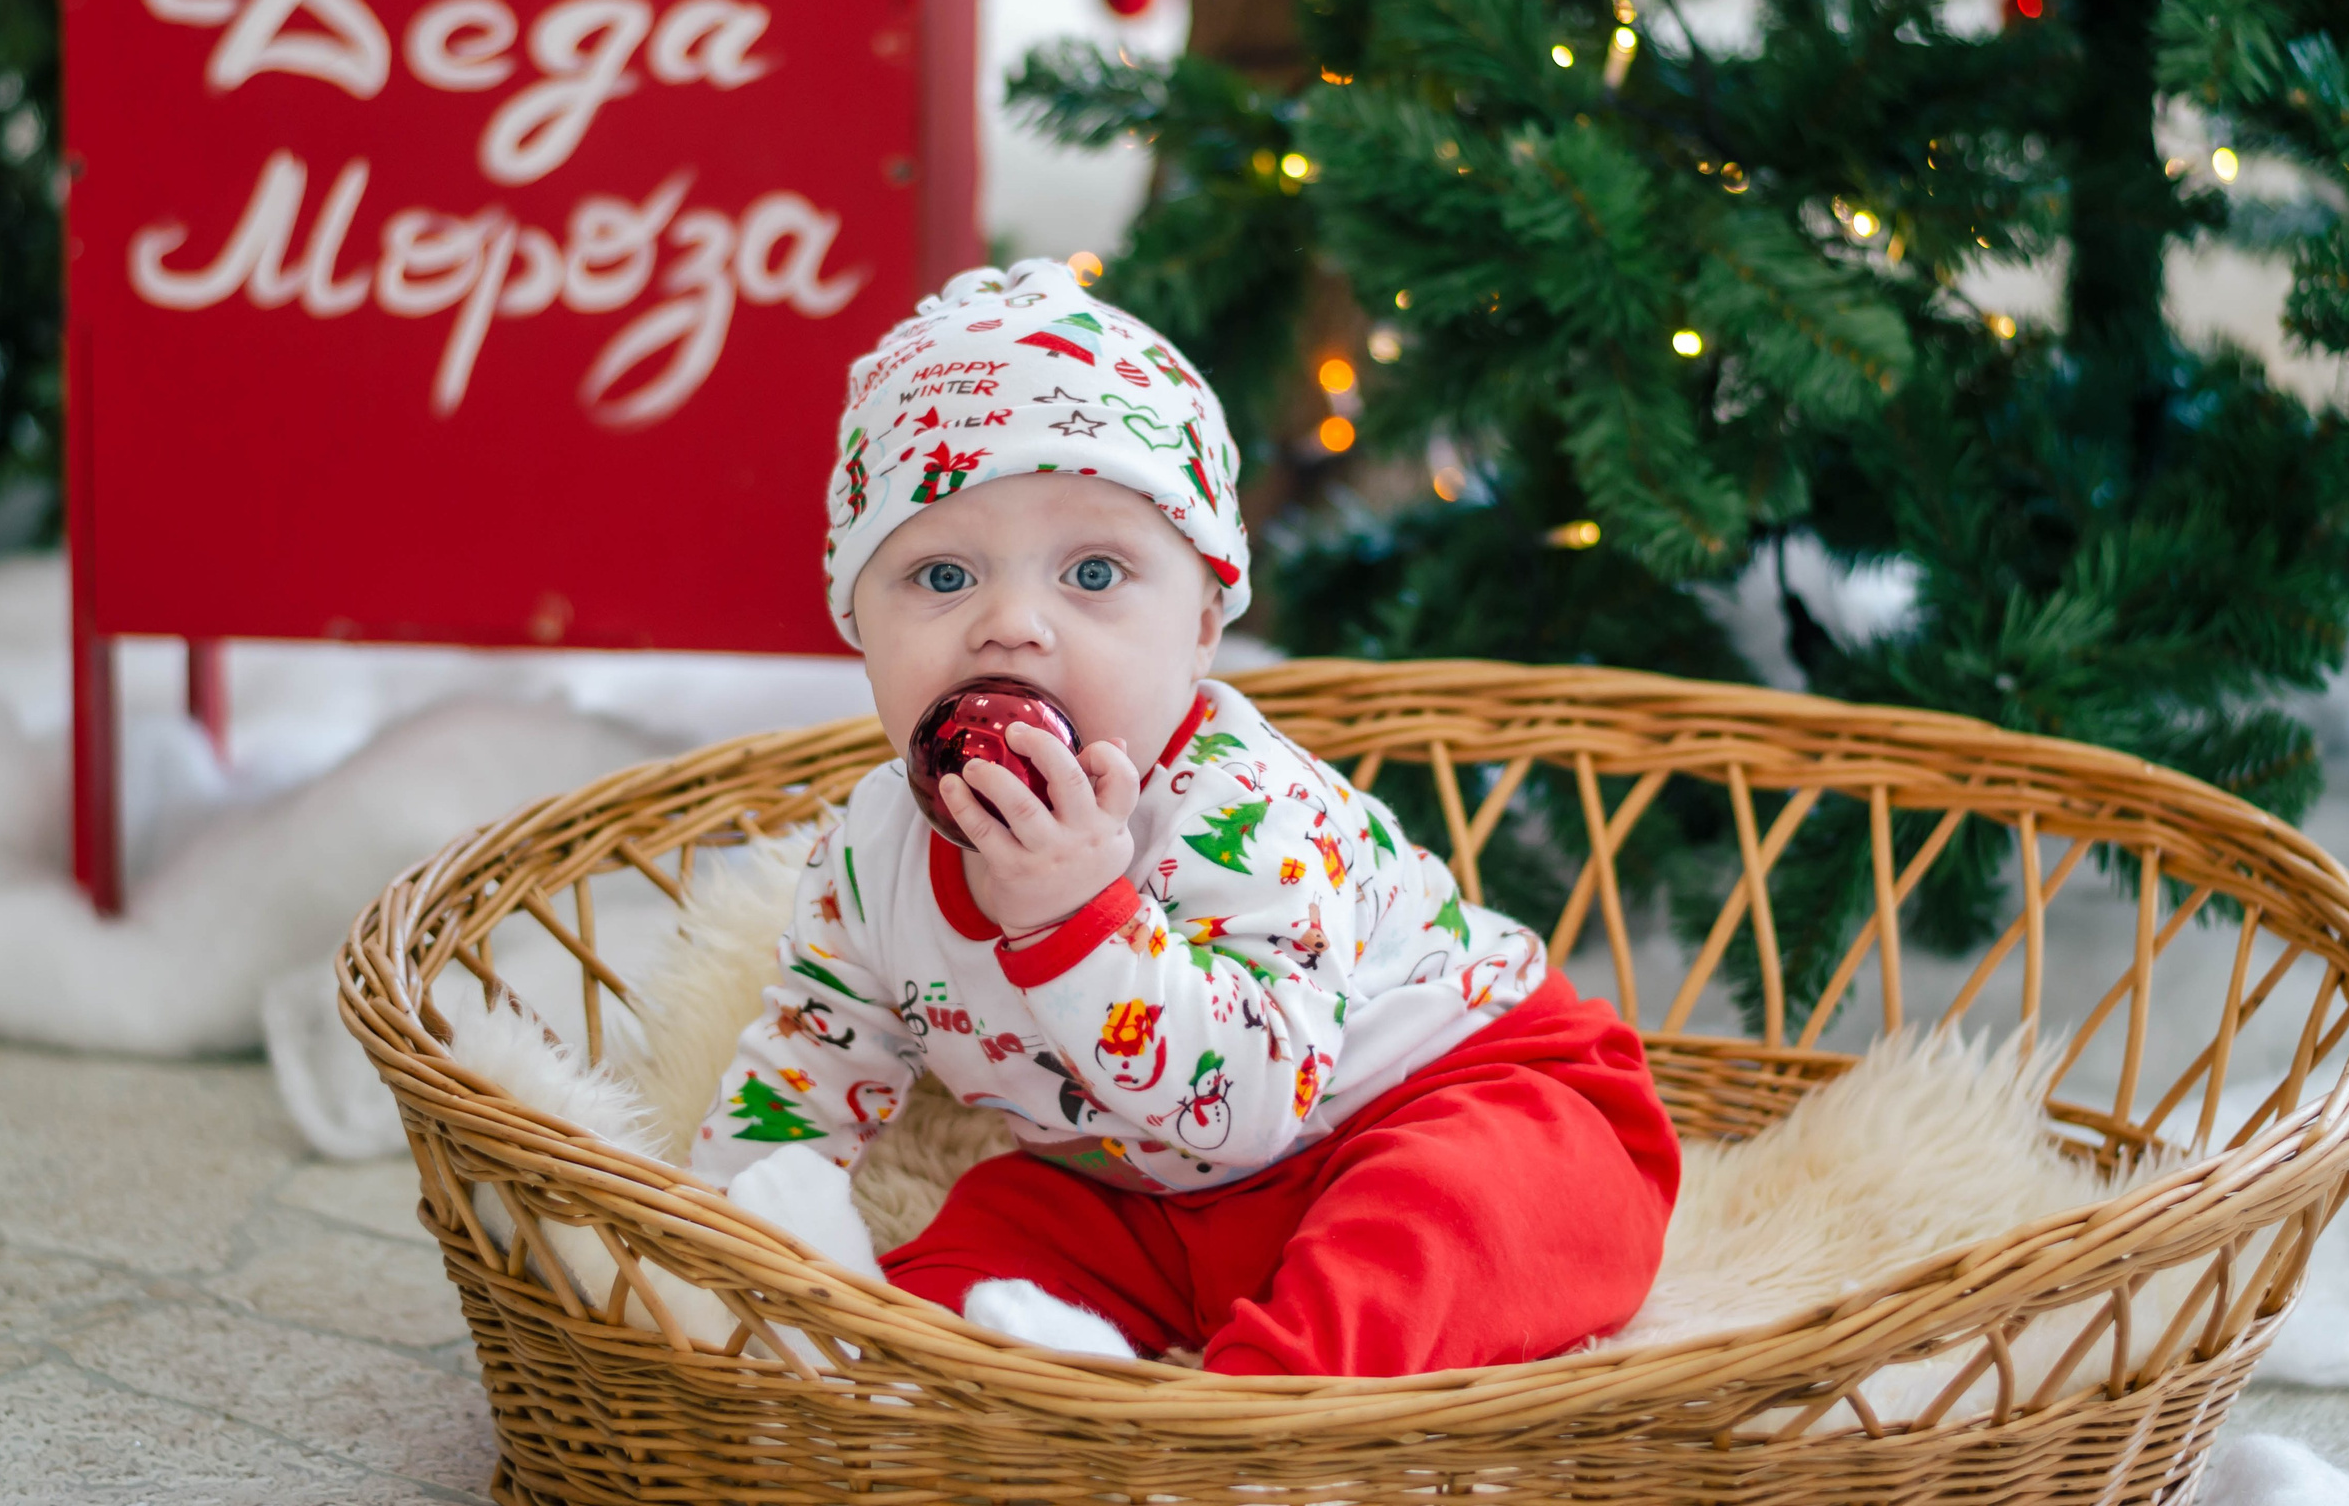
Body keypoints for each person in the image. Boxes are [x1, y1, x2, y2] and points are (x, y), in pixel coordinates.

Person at [689, 257, 1677, 1376]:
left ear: (1203, 625)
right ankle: (1007, 1379)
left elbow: (1248, 1106)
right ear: (857, 627)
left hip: (1457, 1099)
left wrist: (1075, 914)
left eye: (1096, 573)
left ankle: (1255, 1437)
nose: (1012, 625)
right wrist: (743, 1236)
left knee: (1431, 1225)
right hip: (1153, 1191)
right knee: (976, 1243)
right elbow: (807, 1059)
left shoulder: (1248, 805)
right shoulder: (871, 856)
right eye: (941, 575)